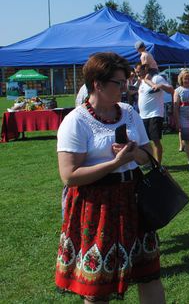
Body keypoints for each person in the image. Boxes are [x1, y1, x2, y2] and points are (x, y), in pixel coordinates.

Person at [55, 52, 165, 303]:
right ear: (98, 84)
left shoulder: (128, 112)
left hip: (134, 203)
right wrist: (114, 163)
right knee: (97, 286)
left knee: (149, 274)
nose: (125, 87)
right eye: (119, 82)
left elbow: (148, 157)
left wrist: (135, 152)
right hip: (96, 207)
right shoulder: (76, 121)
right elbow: (69, 175)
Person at [136, 63, 174, 164]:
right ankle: (150, 162)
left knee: (155, 140)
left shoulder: (157, 78)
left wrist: (161, 85)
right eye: (136, 72)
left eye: (139, 72)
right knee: (145, 142)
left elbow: (171, 90)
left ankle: (158, 164)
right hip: (143, 116)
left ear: (146, 69)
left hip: (155, 114)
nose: (138, 74)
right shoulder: (142, 82)